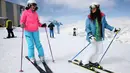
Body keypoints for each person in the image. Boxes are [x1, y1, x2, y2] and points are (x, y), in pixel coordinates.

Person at [79, 2, 120, 69]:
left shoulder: (102, 17)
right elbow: (87, 28)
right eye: (91, 9)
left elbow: (105, 25)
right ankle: (84, 62)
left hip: (99, 37)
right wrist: (90, 36)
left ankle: (92, 61)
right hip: (92, 38)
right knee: (92, 51)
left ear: (97, 8)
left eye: (94, 8)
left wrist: (113, 29)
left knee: (99, 51)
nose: (92, 10)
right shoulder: (89, 18)